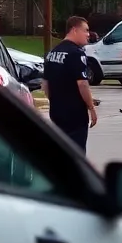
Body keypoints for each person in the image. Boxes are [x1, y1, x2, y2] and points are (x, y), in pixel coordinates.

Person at [42, 16, 99, 153]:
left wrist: (55, 102)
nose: (88, 35)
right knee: (77, 153)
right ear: (74, 30)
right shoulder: (76, 53)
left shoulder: (52, 53)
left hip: (56, 113)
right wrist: (91, 108)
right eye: (85, 30)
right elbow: (83, 84)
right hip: (75, 115)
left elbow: (45, 84)